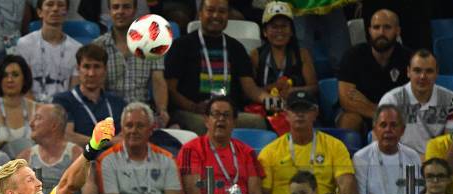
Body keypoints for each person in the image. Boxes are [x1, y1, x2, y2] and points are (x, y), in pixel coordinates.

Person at [165, 0, 270, 135]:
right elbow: (170, 89)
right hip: (191, 112)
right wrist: (193, 107)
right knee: (205, 126)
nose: (216, 15)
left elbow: (250, 88)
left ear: (228, 16)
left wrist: (274, 101)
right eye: (210, 10)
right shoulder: (182, 46)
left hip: (228, 114)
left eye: (222, 11)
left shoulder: (236, 48)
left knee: (257, 122)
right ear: (200, 14)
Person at [258, 90, 359, 194]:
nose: (300, 114)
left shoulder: (335, 146)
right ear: (286, 114)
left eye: (305, 109)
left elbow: (346, 182)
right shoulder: (269, 152)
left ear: (315, 113)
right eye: (295, 109)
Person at [97, 102, 182, 194]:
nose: (133, 131)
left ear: (151, 130)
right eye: (129, 126)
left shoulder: (167, 159)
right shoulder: (107, 160)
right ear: (122, 129)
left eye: (140, 126)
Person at [177, 96, 264, 194]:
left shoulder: (247, 151)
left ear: (234, 122)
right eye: (216, 114)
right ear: (206, 120)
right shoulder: (191, 149)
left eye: (226, 115)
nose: (221, 119)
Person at [93, 0, 169, 126]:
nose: (120, 12)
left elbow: (158, 81)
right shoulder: (98, 46)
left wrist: (163, 110)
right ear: (110, 11)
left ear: (134, 11)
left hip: (143, 113)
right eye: (116, 7)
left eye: (126, 7)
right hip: (110, 113)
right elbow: (97, 87)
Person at [338, 9, 412, 134]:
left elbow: (413, 102)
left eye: (387, 27)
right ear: (369, 30)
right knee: (349, 120)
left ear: (398, 31)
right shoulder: (353, 55)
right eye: (376, 27)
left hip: (397, 116)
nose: (381, 32)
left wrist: (369, 104)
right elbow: (346, 101)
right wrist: (379, 113)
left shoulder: (409, 58)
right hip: (360, 113)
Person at [353, 104, 421, 194]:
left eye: (394, 125)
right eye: (383, 125)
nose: (388, 130)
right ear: (374, 129)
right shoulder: (361, 158)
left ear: (403, 130)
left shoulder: (413, 156)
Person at [379, 49, 453, 156]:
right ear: (408, 72)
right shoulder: (391, 101)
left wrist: (431, 161)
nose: (422, 76)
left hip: (438, 164)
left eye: (429, 71)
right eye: (417, 70)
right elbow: (384, 146)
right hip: (403, 164)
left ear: (437, 73)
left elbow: (452, 144)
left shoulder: (451, 100)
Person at [53, 44, 127, 147]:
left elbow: (126, 136)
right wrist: (109, 142)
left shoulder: (118, 102)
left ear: (105, 70)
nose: (91, 73)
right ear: (78, 69)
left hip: (114, 160)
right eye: (86, 67)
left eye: (97, 67)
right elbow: (67, 136)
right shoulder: (63, 101)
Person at [16, 0, 81, 103]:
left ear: (66, 12)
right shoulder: (24, 44)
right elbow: (22, 88)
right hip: (31, 108)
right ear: (39, 12)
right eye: (50, 4)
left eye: (60, 5)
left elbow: (75, 91)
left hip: (63, 110)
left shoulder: (77, 49)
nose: (55, 9)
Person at [250, 2, 317, 98]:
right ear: (265, 32)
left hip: (295, 107)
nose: (279, 31)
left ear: (291, 31)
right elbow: (248, 91)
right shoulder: (256, 55)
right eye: (274, 27)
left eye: (284, 26)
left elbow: (314, 88)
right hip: (264, 108)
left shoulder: (302, 54)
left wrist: (293, 91)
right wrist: (272, 87)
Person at [18, 103, 82, 194]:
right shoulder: (25, 157)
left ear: (54, 126)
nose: (31, 124)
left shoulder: (76, 154)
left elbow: (89, 192)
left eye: (38, 118)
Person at [0, 55, 38, 159]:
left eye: (15, 75)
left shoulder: (39, 110)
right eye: (5, 75)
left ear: (24, 79)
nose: (9, 80)